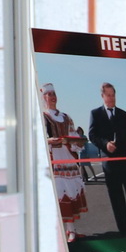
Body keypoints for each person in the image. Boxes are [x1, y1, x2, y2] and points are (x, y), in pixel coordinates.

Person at [88, 82, 126, 237]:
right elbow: (92, 135)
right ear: (102, 96)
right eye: (108, 95)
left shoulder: (124, 114)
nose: (111, 98)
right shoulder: (95, 114)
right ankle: (124, 231)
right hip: (110, 165)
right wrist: (106, 144)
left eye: (113, 95)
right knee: (117, 200)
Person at [40, 84, 89, 238]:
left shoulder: (66, 117)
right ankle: (58, 234)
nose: (52, 97)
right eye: (49, 94)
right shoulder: (43, 116)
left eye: (54, 94)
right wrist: (49, 141)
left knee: (69, 192)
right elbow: (38, 137)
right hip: (54, 158)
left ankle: (71, 230)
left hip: (67, 157)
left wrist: (78, 141)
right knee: (58, 194)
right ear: (44, 98)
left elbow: (72, 135)